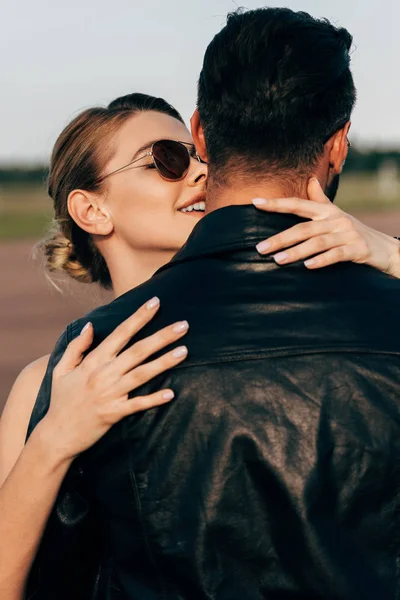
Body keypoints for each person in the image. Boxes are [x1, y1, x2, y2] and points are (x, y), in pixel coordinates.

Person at [3, 24, 400, 596]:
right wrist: (53, 438)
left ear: (206, 137)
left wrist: (389, 252)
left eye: (193, 155)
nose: (196, 172)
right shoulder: (58, 378)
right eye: (163, 161)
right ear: (91, 210)